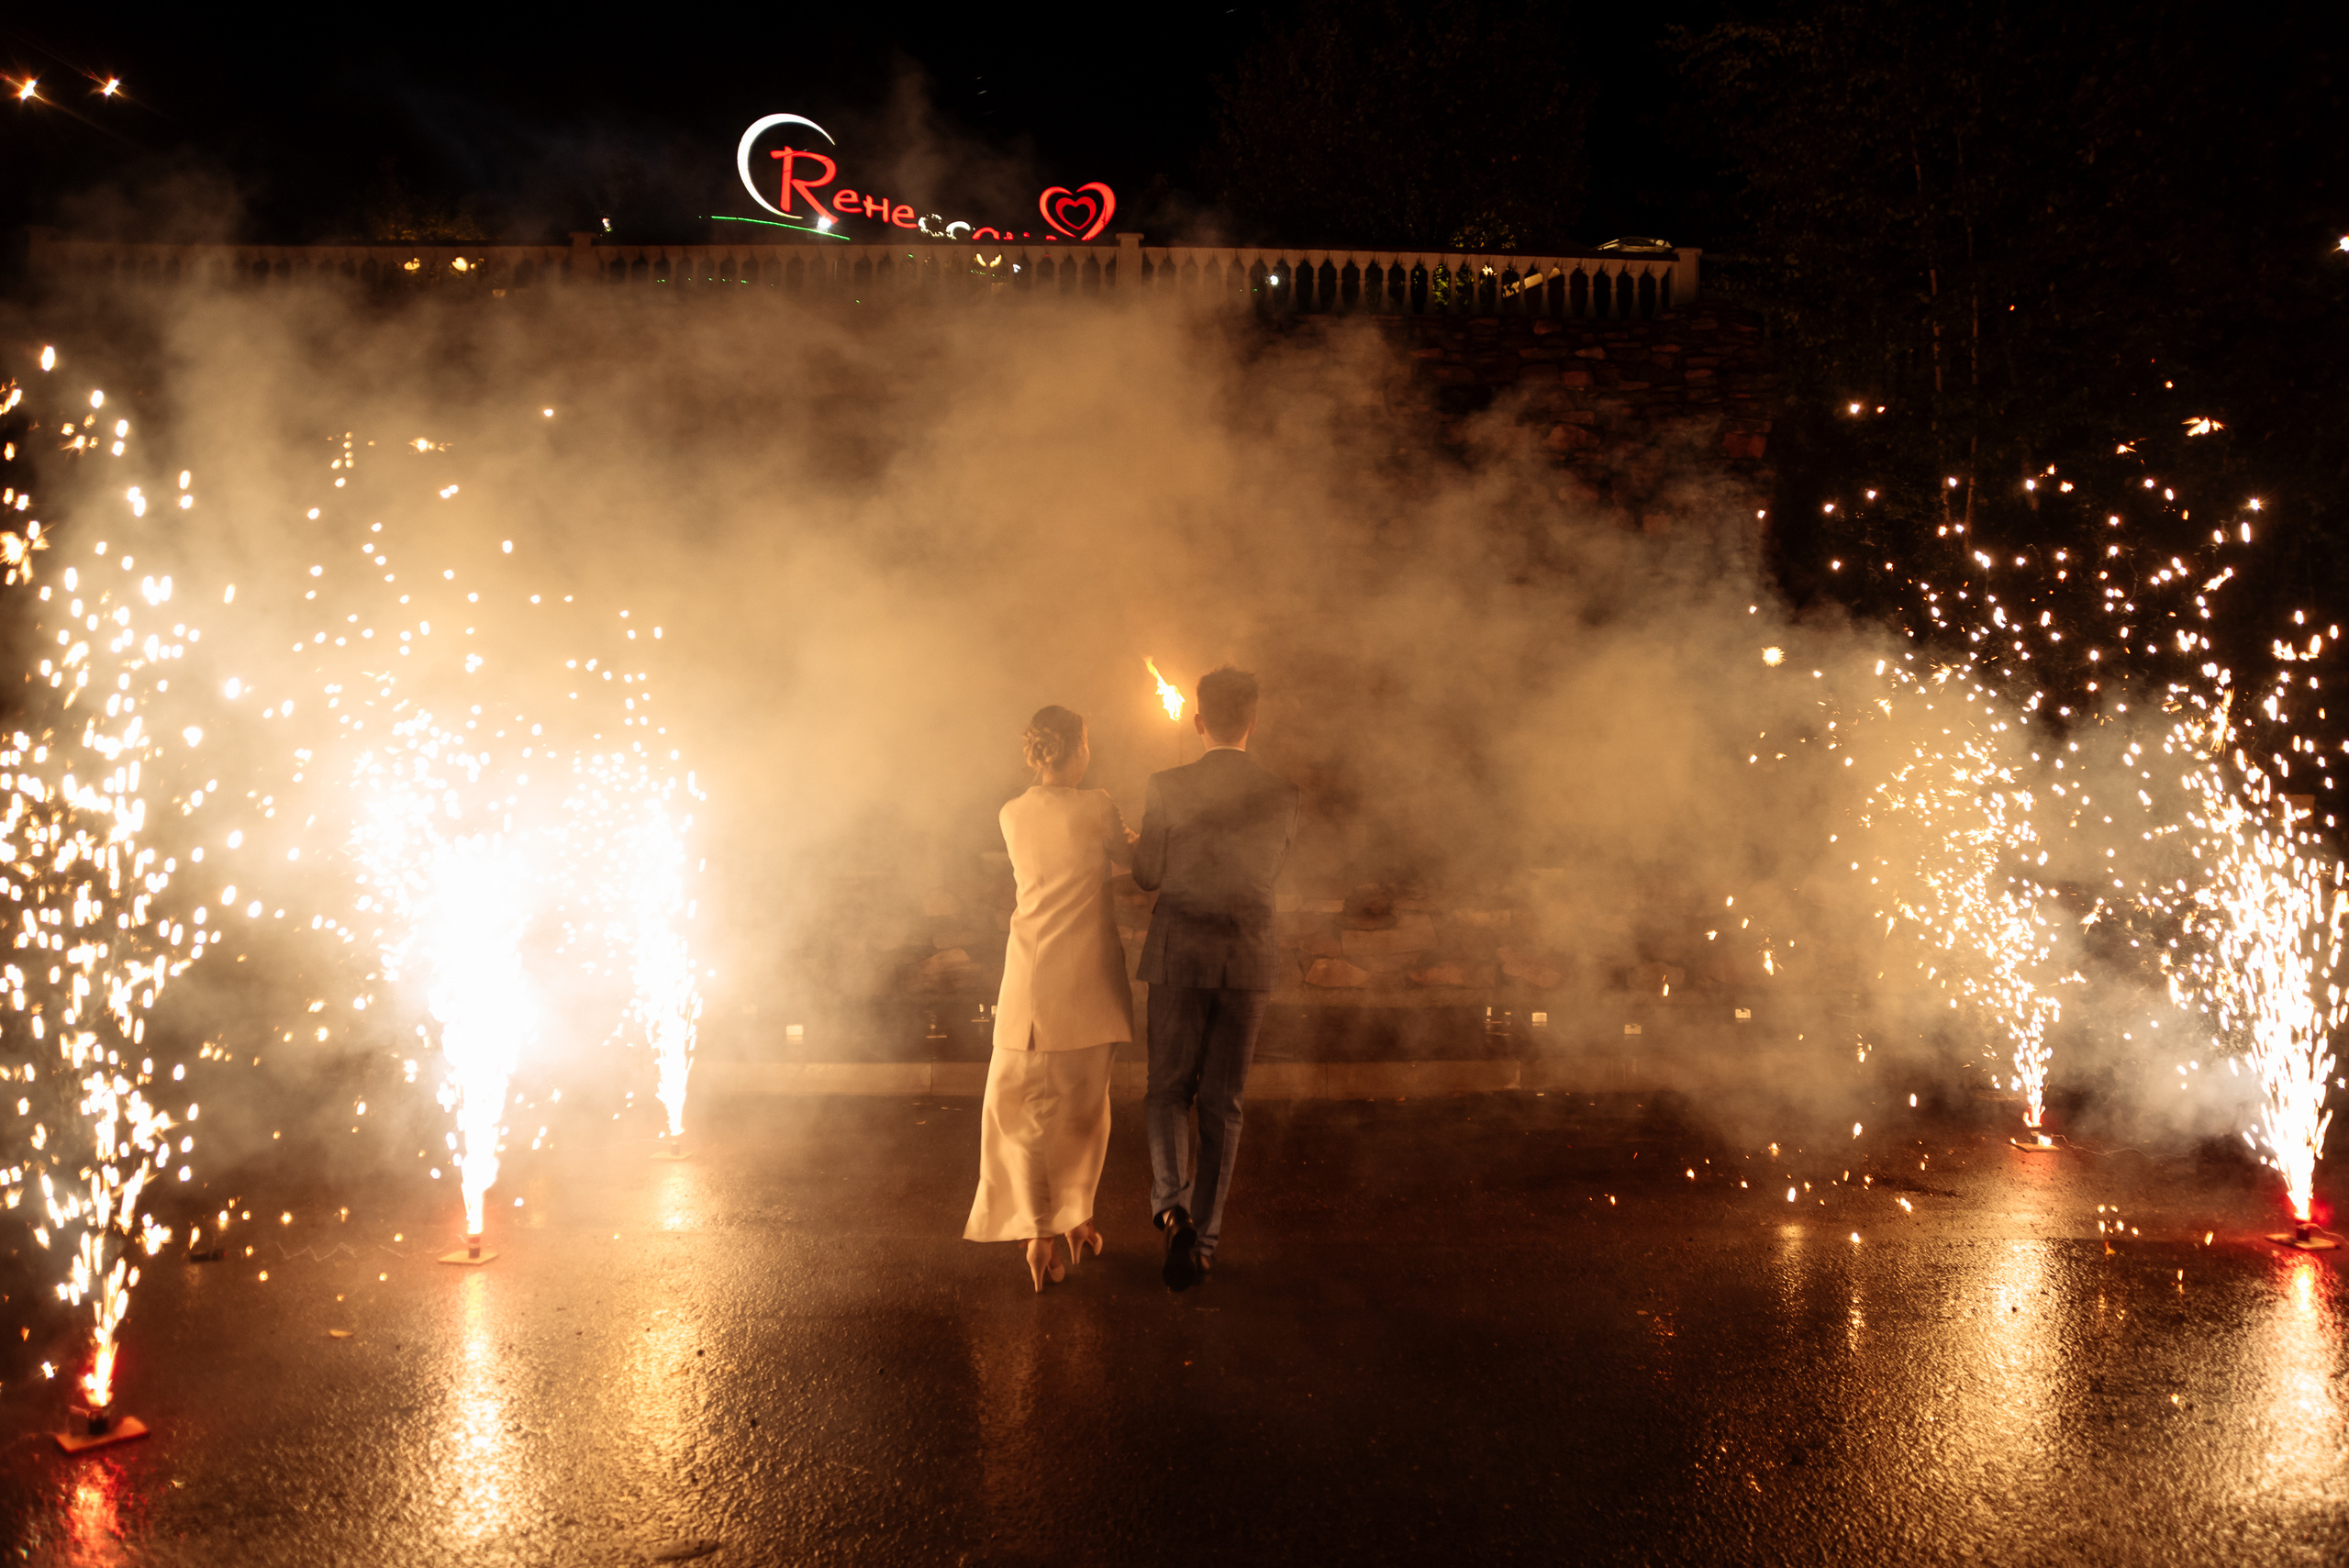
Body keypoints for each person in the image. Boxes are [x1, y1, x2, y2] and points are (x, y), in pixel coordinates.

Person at [1132, 665, 1300, 1292]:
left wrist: (1144, 842)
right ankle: (1202, 1245)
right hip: (1246, 955)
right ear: (1253, 720)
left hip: (1179, 953)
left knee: (1166, 1090)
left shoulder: (1166, 784)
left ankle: (1171, 1207)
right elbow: (1269, 871)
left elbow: (1147, 874)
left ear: (1199, 720)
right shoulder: (1283, 793)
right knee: (1223, 1104)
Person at [964, 705, 1139, 1292]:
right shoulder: (1098, 806)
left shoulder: (1011, 813)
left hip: (1028, 982)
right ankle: (1071, 1220)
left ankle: (1043, 1231)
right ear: (1079, 749)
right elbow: (1139, 860)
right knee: (1084, 1114)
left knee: (1022, 1117)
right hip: (1087, 984)